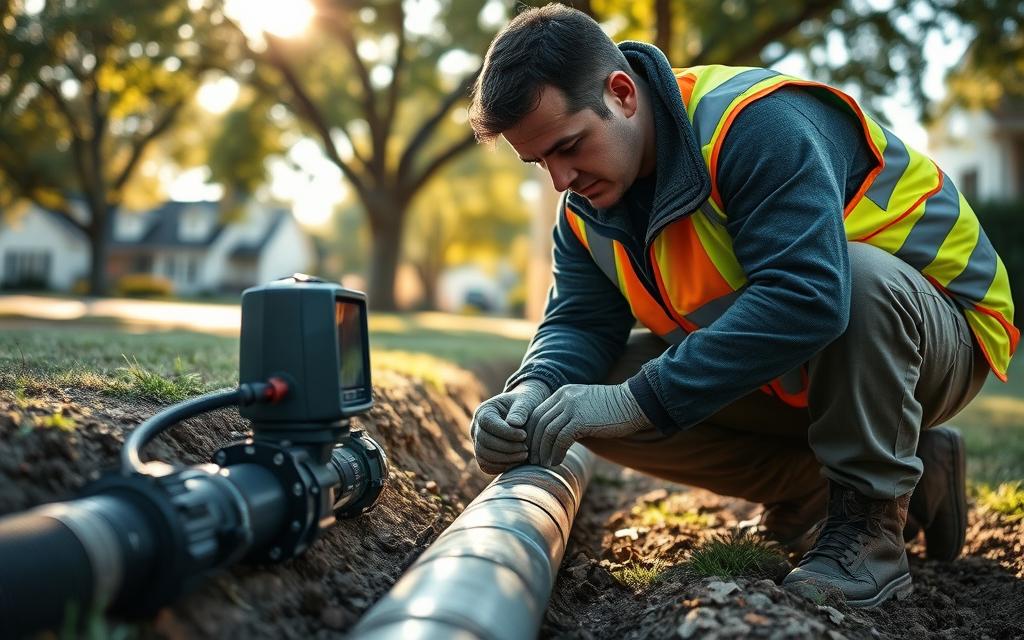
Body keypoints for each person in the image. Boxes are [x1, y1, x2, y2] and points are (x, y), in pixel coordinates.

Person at [466, 3, 1016, 608]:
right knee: (581, 397)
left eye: (569, 146)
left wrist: (635, 401)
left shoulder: (754, 127)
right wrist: (532, 392)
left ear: (621, 93)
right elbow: (579, 321)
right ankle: (857, 472)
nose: (560, 179)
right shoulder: (587, 209)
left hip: (938, 334)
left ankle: (869, 528)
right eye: (540, 160)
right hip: (808, 365)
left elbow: (808, 297)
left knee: (851, 280)